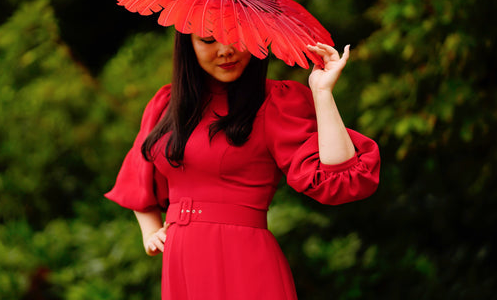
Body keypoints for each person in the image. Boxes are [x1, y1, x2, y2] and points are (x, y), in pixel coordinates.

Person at [105, 31, 380, 300]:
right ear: (187, 43)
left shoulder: (273, 102)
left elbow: (341, 179)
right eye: (208, 39)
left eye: (236, 37)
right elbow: (135, 176)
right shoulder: (167, 105)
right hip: (182, 265)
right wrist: (150, 232)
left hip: (242, 258)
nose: (225, 49)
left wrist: (322, 93)